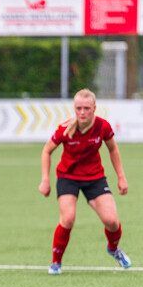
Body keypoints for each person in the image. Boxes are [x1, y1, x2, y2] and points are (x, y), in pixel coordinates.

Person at [39, 88, 131, 275]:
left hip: (95, 178)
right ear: (74, 108)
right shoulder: (65, 129)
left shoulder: (103, 126)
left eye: (86, 108)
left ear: (94, 108)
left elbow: (113, 149)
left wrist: (121, 177)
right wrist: (45, 179)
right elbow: (46, 150)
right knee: (68, 218)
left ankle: (113, 249)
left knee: (112, 221)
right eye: (79, 108)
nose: (82, 112)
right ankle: (56, 262)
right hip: (68, 177)